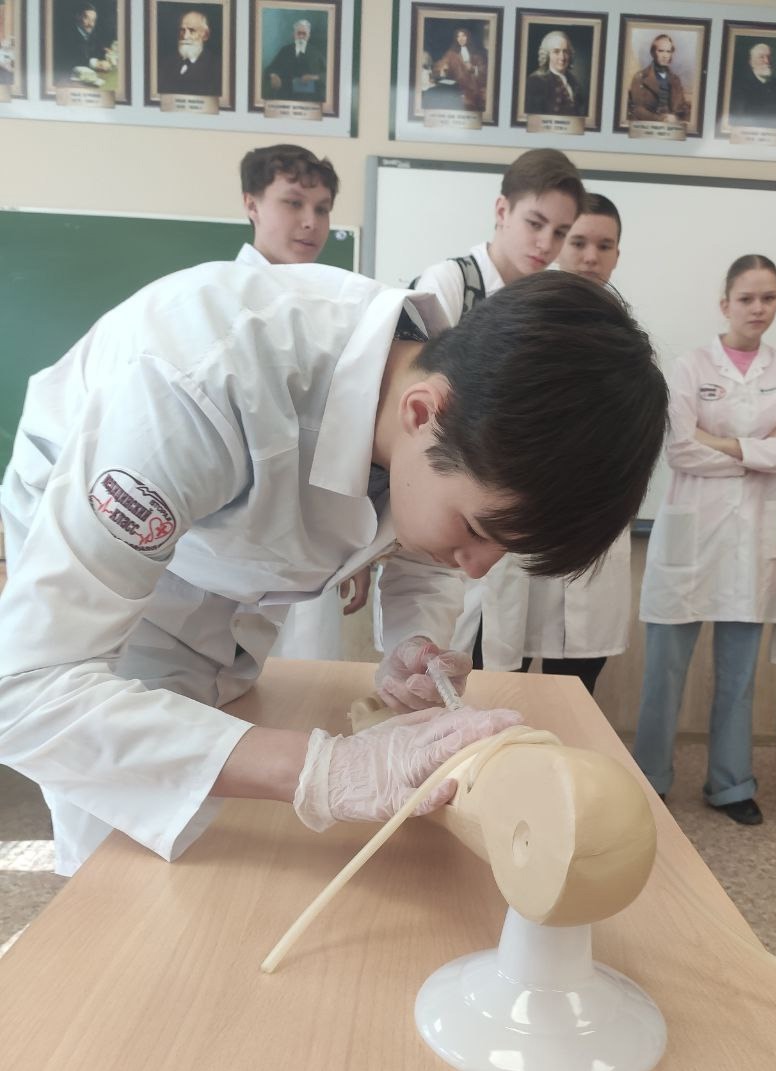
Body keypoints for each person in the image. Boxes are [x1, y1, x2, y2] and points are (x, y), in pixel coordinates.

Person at [0, 267, 667, 879]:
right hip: (103, 574)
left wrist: (413, 643)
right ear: (421, 413)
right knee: (124, 864)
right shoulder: (195, 388)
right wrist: (324, 770)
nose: (476, 569)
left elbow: (419, 538)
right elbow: (25, 692)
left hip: (221, 562)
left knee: (222, 813)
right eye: (475, 530)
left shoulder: (447, 409)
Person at [633, 254, 776, 824]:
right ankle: (651, 780)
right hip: (691, 538)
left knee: (738, 677)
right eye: (747, 298)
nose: (759, 308)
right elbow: (680, 449)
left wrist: (723, 442)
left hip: (752, 542)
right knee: (664, 673)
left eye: (769, 297)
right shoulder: (691, 366)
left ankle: (731, 785)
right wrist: (760, 450)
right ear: (725, 304)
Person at [394, 148, 585, 670]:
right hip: (446, 508)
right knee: (434, 646)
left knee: (496, 655)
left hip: (499, 518)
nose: (546, 244)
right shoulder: (449, 284)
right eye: (535, 223)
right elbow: (411, 423)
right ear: (502, 210)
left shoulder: (542, 307)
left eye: (560, 232)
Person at [237, 145, 368, 653]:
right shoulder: (217, 301)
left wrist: (357, 541)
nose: (311, 222)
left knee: (308, 681)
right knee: (216, 683)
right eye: (293, 203)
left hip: (311, 538)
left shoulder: (340, 311)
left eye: (322, 208)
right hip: (231, 533)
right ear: (251, 204)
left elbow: (344, 433)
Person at [519, 193, 630, 694]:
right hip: (525, 529)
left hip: (595, 529)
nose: (590, 257)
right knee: (501, 677)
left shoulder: (628, 337)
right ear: (559, 243)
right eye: (579, 241)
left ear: (617, 254)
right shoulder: (524, 318)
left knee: (577, 687)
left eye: (604, 246)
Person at [626, 33, 689, 124]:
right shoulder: (640, 77)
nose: (665, 55)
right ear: (653, 53)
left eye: (668, 51)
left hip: (672, 126)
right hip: (649, 125)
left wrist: (675, 118)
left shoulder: (675, 80)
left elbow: (682, 108)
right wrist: (660, 119)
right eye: (661, 51)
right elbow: (637, 109)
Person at [729, 41, 776, 131]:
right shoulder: (738, 88)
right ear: (751, 62)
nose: (767, 61)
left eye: (769, 57)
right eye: (761, 57)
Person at [158, 8, 220, 96]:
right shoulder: (166, 64)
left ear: (205, 35)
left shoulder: (217, 67)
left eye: (192, 30)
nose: (185, 36)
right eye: (182, 30)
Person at [525, 30, 586, 117]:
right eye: (556, 52)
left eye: (565, 51)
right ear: (547, 55)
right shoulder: (535, 82)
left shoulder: (574, 82)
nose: (562, 57)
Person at [263, 17, 324, 103]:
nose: (301, 37)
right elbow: (270, 69)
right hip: (286, 95)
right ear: (294, 34)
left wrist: (314, 77)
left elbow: (327, 75)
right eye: (299, 33)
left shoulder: (316, 53)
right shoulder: (285, 51)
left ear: (309, 35)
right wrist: (273, 75)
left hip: (308, 98)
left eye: (304, 34)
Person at [431, 25, 487, 113]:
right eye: (458, 36)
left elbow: (485, 71)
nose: (461, 38)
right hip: (460, 90)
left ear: (468, 37)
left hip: (477, 88)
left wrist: (473, 69)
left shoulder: (477, 53)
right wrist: (442, 69)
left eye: (463, 35)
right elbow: (440, 65)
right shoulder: (451, 53)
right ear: (456, 39)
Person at [54, 3, 109, 84]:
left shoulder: (92, 34)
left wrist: (105, 55)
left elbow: (98, 50)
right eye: (87, 18)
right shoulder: (66, 35)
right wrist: (94, 63)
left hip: (87, 78)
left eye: (93, 20)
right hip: (67, 80)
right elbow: (68, 61)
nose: (91, 24)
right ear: (78, 16)